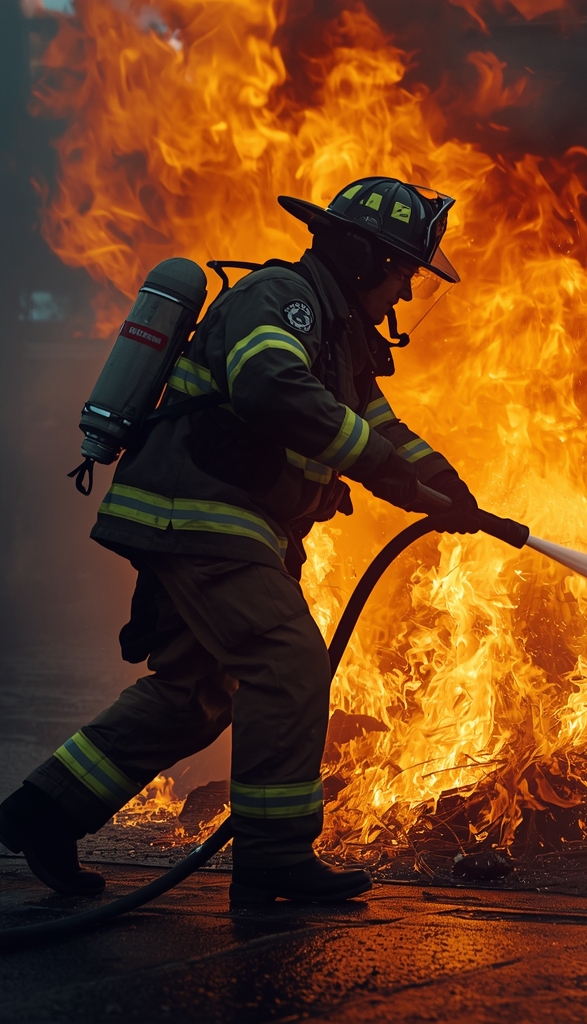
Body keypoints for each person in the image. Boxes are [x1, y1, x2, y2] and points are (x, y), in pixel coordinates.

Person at [0, 177, 480, 903]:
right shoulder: (282, 300)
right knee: (286, 662)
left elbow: (381, 427)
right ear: (361, 257)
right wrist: (390, 476)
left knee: (194, 692)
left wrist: (450, 488)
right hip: (199, 516)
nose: (405, 293)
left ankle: (41, 814)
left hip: (213, 521)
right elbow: (268, 385)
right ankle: (273, 860)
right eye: (402, 272)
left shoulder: (337, 335)